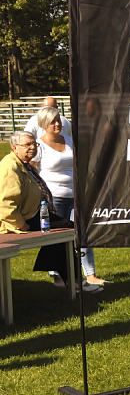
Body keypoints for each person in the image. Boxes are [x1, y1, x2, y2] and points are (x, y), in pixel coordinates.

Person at [0, 130, 98, 291]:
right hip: (25, 220)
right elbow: (5, 203)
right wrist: (20, 224)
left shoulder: (23, 164)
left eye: (34, 144)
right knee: (69, 230)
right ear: (15, 147)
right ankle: (74, 281)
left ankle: (68, 279)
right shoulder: (10, 167)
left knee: (65, 234)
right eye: (27, 145)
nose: (32, 147)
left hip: (37, 215)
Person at [31, 106, 107, 288]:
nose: (58, 124)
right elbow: (32, 172)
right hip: (54, 199)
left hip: (75, 196)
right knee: (56, 238)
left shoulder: (69, 141)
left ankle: (90, 274)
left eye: (58, 120)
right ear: (44, 125)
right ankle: (58, 276)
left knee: (82, 234)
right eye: (53, 122)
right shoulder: (39, 146)